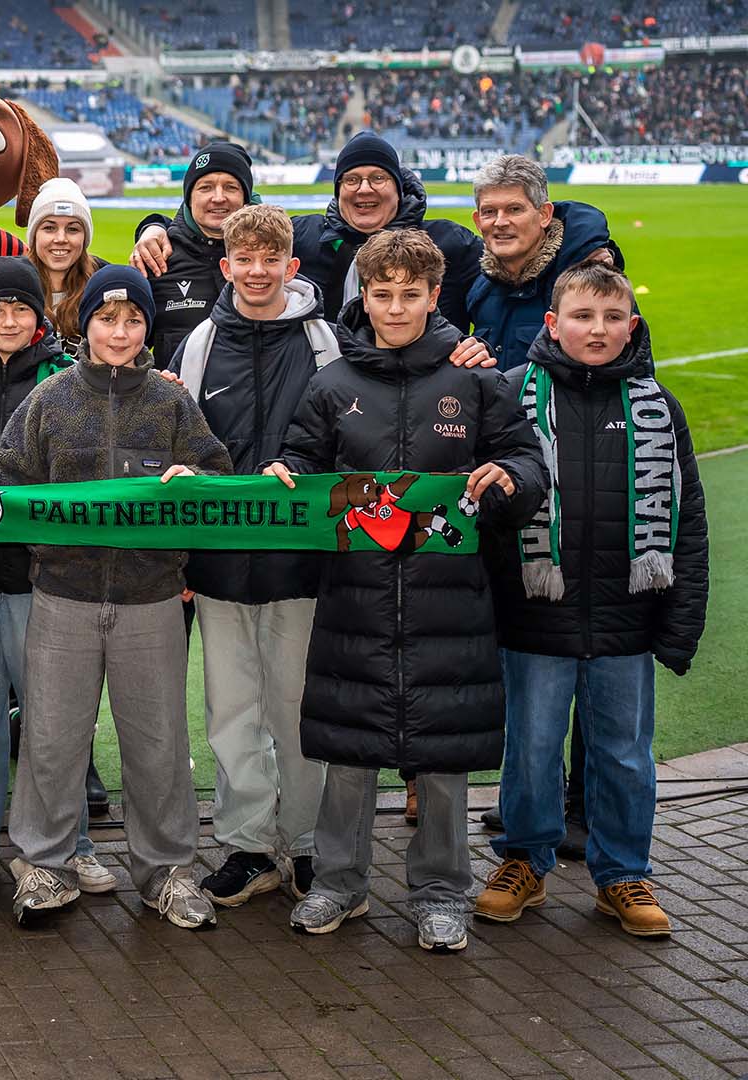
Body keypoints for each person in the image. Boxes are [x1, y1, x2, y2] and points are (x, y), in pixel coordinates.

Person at [0, 265, 231, 927]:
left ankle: (167, 872)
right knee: (51, 741)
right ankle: (44, 868)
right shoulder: (52, 399)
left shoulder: (172, 402)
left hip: (150, 599)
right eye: (106, 318)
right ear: (84, 323)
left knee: (156, 742)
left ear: (148, 327)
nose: (119, 332)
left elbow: (218, 467)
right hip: (61, 595)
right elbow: (5, 469)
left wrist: (197, 477)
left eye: (133, 320)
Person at [272, 229, 546, 953]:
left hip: (447, 602)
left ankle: (440, 893)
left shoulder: (474, 380)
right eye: (382, 293)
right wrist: (283, 473)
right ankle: (338, 882)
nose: (395, 308)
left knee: (443, 759)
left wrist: (512, 478)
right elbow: (301, 462)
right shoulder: (332, 385)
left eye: (410, 294)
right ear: (365, 295)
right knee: (352, 754)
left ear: (433, 295)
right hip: (355, 602)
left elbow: (524, 460)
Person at [474, 263, 706, 938]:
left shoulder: (659, 408)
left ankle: (623, 872)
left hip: (626, 619)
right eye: (582, 317)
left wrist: (681, 618)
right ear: (553, 324)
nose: (597, 330)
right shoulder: (512, 394)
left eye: (611, 318)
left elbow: (688, 522)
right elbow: (482, 508)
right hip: (533, 615)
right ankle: (524, 859)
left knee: (625, 755)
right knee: (532, 749)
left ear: (631, 325)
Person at [0, 257, 115, 899]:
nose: (9, 320)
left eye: (21, 309)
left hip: (48, 578)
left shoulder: (68, 376)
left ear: (39, 316)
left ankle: (73, 847)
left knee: (54, 721)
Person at [168, 204, 339, 905]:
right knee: (231, 710)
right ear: (227, 265)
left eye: (273, 259)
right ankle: (246, 845)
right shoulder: (200, 344)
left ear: (291, 267)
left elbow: (347, 437)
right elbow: (175, 442)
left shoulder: (328, 343)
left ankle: (301, 844)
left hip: (300, 563)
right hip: (219, 562)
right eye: (247, 259)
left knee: (297, 704)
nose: (260, 271)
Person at [131, 132, 481, 330]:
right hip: (327, 400)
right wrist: (156, 227)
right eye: (352, 180)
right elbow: (241, 230)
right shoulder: (306, 235)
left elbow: (511, 273)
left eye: (378, 178)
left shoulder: (450, 242)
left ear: (399, 187)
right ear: (338, 188)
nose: (364, 190)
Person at [467, 154, 623, 372]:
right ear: (477, 221)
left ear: (544, 215)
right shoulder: (480, 289)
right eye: (489, 212)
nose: (500, 222)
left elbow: (630, 375)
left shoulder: (589, 279)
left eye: (514, 209)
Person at [129, 141, 256, 369]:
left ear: (246, 198)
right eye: (205, 187)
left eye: (230, 187)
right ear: (189, 198)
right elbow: (125, 349)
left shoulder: (269, 258)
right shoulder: (158, 260)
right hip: (175, 402)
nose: (218, 197)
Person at [22, 177, 104, 357]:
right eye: (49, 228)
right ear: (34, 235)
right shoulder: (12, 283)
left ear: (85, 237)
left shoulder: (103, 287)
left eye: (72, 229)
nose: (60, 238)